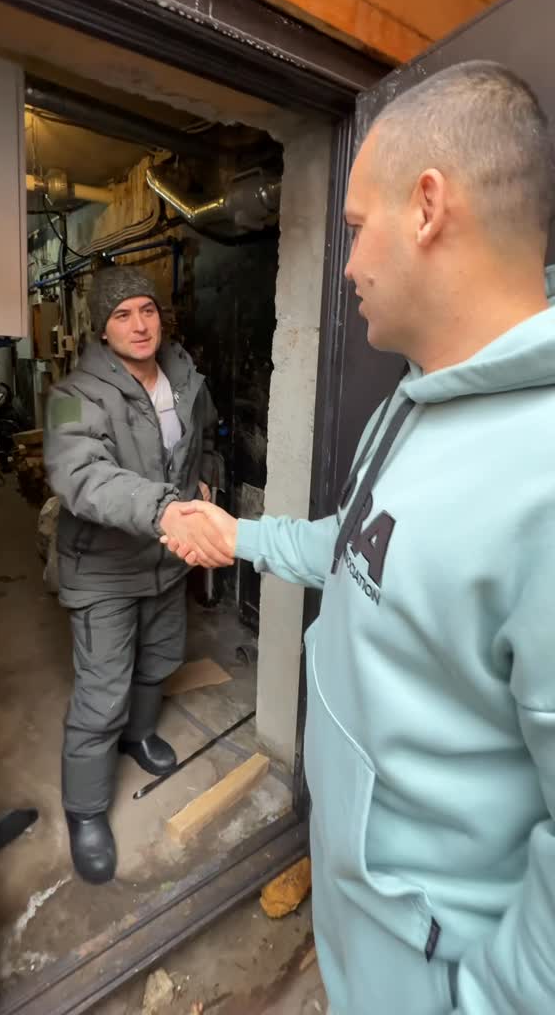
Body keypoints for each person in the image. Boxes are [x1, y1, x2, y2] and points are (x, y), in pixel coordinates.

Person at [159, 63, 555, 1014]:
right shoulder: (416, 400)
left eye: (354, 226)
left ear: (428, 207)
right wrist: (243, 536)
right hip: (369, 946)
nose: (344, 266)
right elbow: (356, 547)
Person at [44, 266, 229, 885]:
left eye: (146, 310)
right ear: (103, 328)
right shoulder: (72, 395)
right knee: (102, 695)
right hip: (104, 567)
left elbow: (204, 441)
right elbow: (81, 476)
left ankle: (140, 736)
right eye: (122, 315)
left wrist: (206, 480)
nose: (139, 324)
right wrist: (164, 509)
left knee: (159, 659)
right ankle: (86, 810)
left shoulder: (184, 378)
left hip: (167, 558)